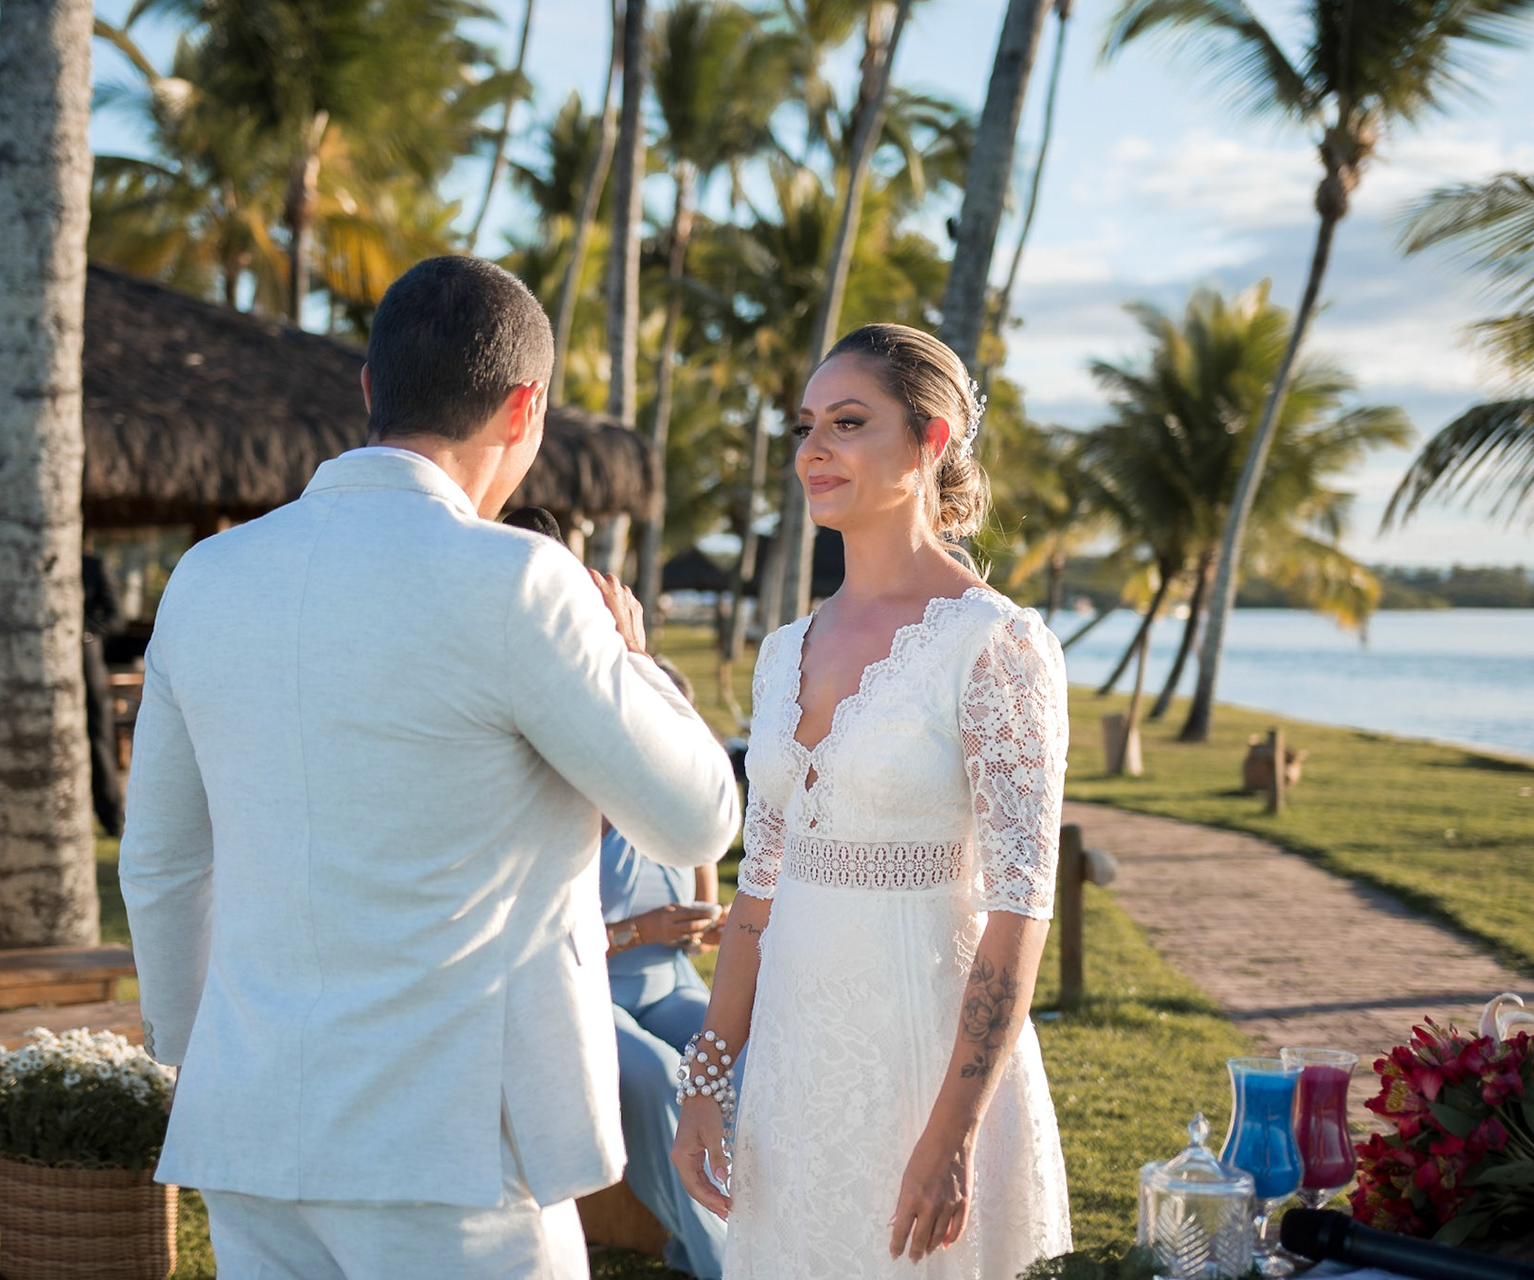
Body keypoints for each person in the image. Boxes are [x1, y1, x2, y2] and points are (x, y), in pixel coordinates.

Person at [121, 255, 742, 1280]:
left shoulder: (207, 576)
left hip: (251, 1120)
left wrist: (200, 1066)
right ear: (524, 407)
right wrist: (635, 661)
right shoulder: (521, 581)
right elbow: (699, 816)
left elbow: (160, 864)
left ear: (369, 386)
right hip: (451, 1141)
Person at [672, 324, 1072, 1277]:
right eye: (807, 426)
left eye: (848, 422)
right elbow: (754, 909)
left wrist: (953, 1135)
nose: (814, 449)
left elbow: (1019, 914)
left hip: (922, 1063)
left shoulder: (997, 647)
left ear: (930, 441)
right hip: (792, 1069)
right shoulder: (780, 655)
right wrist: (705, 1086)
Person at [600, 660, 730, 1279]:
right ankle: (717, 1258)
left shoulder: (690, 812)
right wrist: (640, 932)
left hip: (672, 985)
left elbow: (699, 929)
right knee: (658, 1073)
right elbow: (542, 939)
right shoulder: (588, 803)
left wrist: (712, 928)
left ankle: (760, 1228)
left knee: (743, 1048)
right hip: (593, 993)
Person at [83, 551, 125, 837]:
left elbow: (117, 617)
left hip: (87, 667)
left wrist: (85, 632)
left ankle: (112, 817)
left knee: (99, 741)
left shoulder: (94, 566)